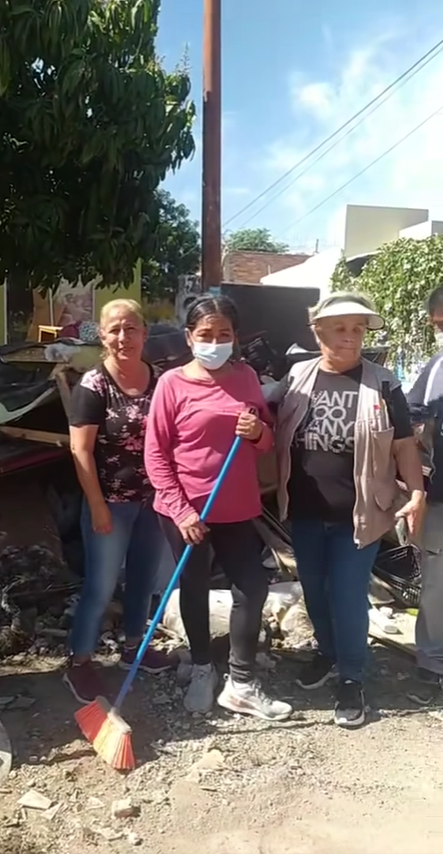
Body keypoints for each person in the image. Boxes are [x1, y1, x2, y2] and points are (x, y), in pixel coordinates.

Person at [274, 292, 425, 728]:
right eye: (340, 328)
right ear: (317, 331)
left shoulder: (383, 383)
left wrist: (416, 492)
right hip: (304, 511)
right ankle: (327, 652)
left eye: (358, 328)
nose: (351, 336)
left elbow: (404, 446)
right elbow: (260, 411)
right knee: (314, 591)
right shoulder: (297, 377)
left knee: (347, 595)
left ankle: (351, 677)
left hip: (360, 515)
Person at [145, 294, 292, 720]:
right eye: (206, 334)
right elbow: (156, 454)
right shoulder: (171, 384)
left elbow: (266, 440)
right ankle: (202, 668)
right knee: (194, 586)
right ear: (190, 337)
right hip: (186, 510)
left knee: (252, 586)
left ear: (235, 337)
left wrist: (257, 431)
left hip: (236, 505)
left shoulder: (246, 377)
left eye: (223, 334)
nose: (214, 342)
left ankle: (241, 683)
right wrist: (182, 511)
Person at [65, 298, 171, 704]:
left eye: (131, 328)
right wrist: (96, 505)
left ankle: (133, 648)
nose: (123, 337)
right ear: (102, 336)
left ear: (145, 333)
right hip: (110, 502)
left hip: (153, 500)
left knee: (143, 578)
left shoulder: (161, 380)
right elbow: (81, 450)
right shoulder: (94, 386)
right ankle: (79, 662)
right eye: (114, 329)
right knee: (101, 585)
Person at [407, 284, 443, 701]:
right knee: (437, 580)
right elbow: (409, 418)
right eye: (439, 326)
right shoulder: (435, 369)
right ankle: (433, 659)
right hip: (442, 495)